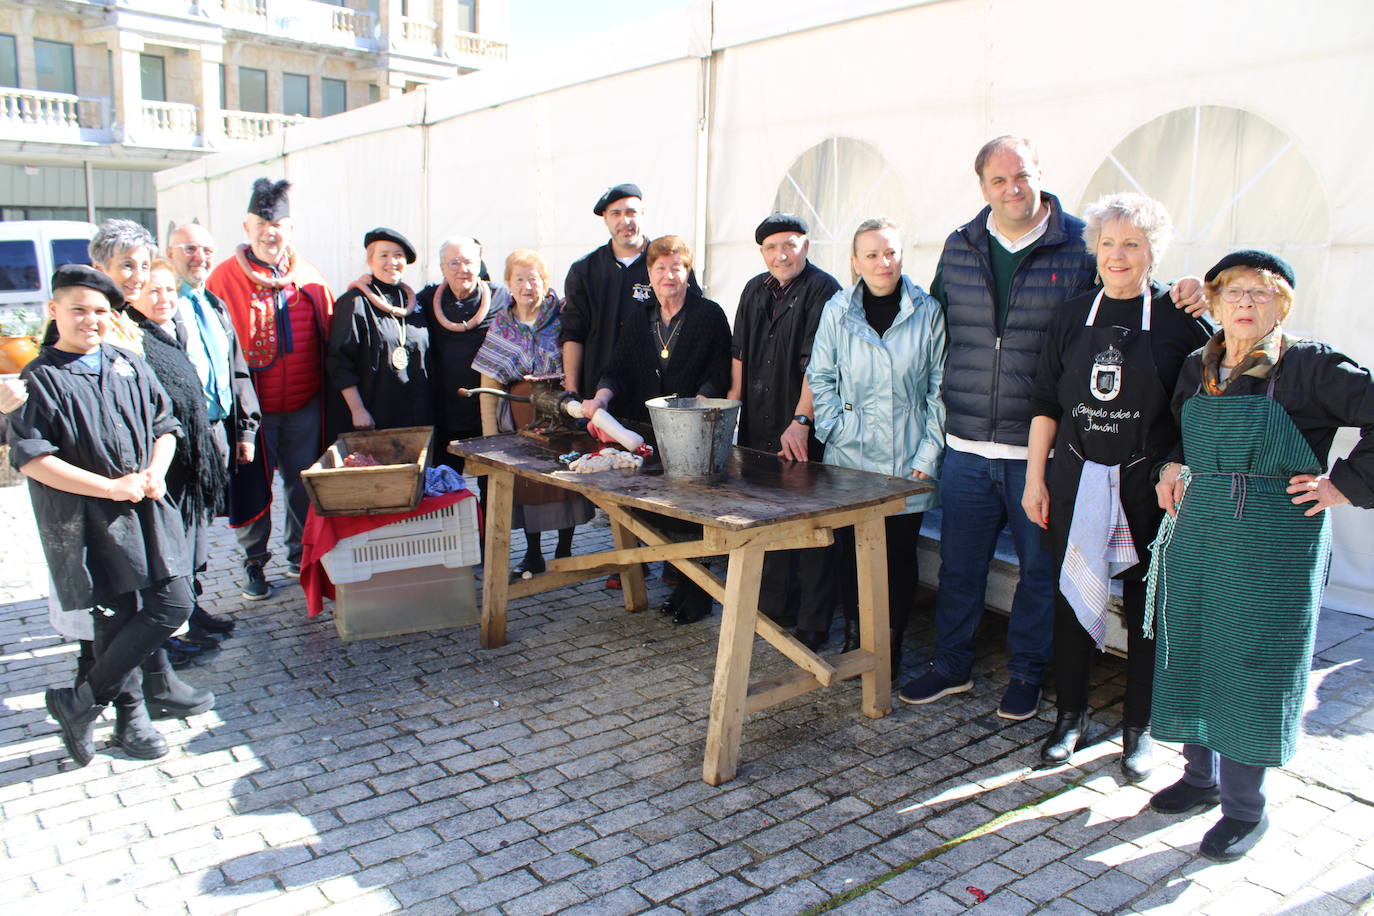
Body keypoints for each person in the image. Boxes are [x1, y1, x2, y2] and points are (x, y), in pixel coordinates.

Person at [900, 135, 1204, 720]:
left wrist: (1192, 290)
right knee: (962, 564)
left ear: (1039, 174)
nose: (1012, 189)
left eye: (1022, 176)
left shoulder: (1076, 245)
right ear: (982, 185)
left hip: (1038, 448)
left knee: (1042, 572)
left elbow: (1129, 289)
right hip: (965, 442)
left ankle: (1027, 674)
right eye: (998, 180)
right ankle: (951, 665)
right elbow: (934, 323)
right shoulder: (960, 246)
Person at [1143, 250, 1374, 862]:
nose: (1246, 302)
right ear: (1215, 303)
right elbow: (1173, 428)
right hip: (1201, 531)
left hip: (1275, 540)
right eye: (1234, 292)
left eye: (1261, 293)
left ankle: (1245, 810)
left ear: (1282, 305)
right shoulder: (1199, 364)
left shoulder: (1312, 366)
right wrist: (1171, 464)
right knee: (1190, 645)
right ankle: (1199, 778)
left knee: (1251, 665)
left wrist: (1341, 485)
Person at [1021, 193, 1211, 781]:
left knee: (1146, 607)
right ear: (1094, 250)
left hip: (1148, 488)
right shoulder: (1072, 314)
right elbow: (1046, 403)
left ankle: (1139, 728)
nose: (1119, 254)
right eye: (1108, 243)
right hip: (1075, 478)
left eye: (1132, 243)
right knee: (1071, 600)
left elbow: (1203, 410)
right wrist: (1034, 477)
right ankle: (1070, 717)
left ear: (1153, 251)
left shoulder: (1182, 323)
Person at [10, 266, 194, 765]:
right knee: (116, 620)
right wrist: (109, 487)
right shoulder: (40, 379)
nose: (91, 320)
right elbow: (33, 460)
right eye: (79, 310)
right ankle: (130, 718)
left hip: (146, 509)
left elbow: (166, 424)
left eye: (100, 311)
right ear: (54, 312)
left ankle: (80, 702)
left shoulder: (125, 362)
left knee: (173, 604)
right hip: (88, 521)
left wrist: (157, 468)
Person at [807, 218, 945, 676]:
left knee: (899, 556)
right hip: (850, 458)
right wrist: (834, 428)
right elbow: (821, 375)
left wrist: (927, 456)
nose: (883, 263)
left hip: (908, 460)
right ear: (855, 262)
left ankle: (889, 645)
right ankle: (854, 637)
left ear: (902, 255)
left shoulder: (927, 311)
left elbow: (940, 391)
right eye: (872, 254)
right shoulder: (837, 310)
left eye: (890, 252)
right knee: (849, 551)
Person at [581, 235, 731, 623]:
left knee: (693, 513)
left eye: (676, 267)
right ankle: (680, 583)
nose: (668, 275)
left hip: (694, 432)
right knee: (658, 511)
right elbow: (618, 368)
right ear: (649, 273)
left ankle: (696, 593)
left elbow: (720, 370)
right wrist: (600, 398)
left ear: (687, 271)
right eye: (660, 268)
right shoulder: (639, 318)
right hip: (647, 434)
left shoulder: (708, 314)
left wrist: (699, 402)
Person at [207, 178, 334, 601]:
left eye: (278, 222)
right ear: (247, 227)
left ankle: (301, 554)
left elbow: (331, 335)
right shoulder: (223, 279)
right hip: (251, 409)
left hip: (304, 404)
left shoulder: (310, 275)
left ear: (290, 228)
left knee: (302, 483)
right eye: (262, 222)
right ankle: (253, 561)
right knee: (251, 484)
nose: (270, 230)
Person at [727, 213, 842, 648]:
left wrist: (801, 420)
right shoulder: (754, 289)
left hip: (801, 426)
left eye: (790, 245)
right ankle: (773, 610)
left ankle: (813, 623)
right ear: (762, 252)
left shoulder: (824, 290)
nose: (782, 254)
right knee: (765, 516)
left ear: (805, 246)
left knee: (812, 524)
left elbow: (820, 362)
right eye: (772, 247)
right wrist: (731, 408)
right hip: (757, 422)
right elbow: (739, 352)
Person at [472, 249, 594, 577]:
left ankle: (566, 550)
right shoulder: (501, 323)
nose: (528, 285)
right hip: (520, 415)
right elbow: (489, 379)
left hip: (563, 411)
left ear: (546, 282)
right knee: (527, 486)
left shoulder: (563, 314)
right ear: (508, 284)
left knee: (564, 482)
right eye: (520, 279)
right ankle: (533, 554)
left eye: (534, 278)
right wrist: (489, 438)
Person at [167, 222, 261, 641]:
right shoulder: (165, 306)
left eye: (206, 249)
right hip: (179, 435)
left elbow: (237, 371)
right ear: (169, 253)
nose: (199, 257)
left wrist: (245, 430)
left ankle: (193, 607)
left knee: (199, 524)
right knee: (176, 527)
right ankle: (174, 621)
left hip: (217, 430)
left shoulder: (214, 305)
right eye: (189, 248)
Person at [325, 228, 433, 442]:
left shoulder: (415, 303)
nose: (392, 261)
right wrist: (358, 410)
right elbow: (339, 361)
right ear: (370, 260)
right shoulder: (354, 302)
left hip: (412, 416)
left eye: (398, 255)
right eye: (384, 255)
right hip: (371, 415)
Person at [419, 236, 511, 472]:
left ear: (479, 265)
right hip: (445, 415)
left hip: (487, 415)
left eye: (469, 262)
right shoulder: (428, 299)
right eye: (454, 263)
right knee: (447, 485)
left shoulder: (500, 296)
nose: (463, 269)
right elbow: (400, 305)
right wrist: (365, 284)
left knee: (490, 483)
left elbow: (531, 306)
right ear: (442, 269)